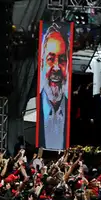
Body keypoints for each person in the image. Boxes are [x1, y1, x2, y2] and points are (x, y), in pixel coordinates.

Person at [37, 23, 70, 151]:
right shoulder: (36, 108)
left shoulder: (70, 110)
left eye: (62, 59)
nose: (56, 67)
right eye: (51, 59)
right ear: (41, 63)